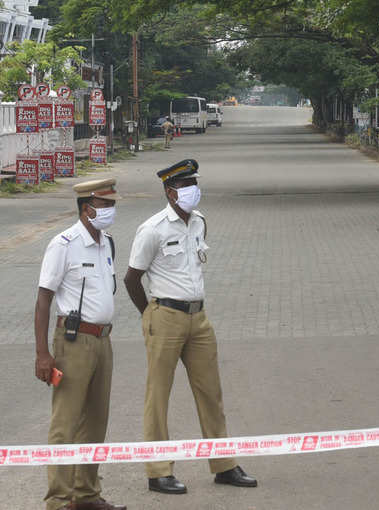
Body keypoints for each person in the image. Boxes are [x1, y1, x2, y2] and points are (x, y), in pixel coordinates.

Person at [124, 159, 256, 495]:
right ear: (170, 192)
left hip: (199, 318)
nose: (193, 191)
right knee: (158, 396)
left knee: (211, 393)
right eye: (185, 186)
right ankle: (158, 471)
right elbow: (131, 278)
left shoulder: (199, 222)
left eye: (194, 184)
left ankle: (224, 464)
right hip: (165, 315)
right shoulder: (152, 229)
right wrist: (148, 315)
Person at [34, 179, 125, 510]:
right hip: (73, 343)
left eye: (112, 205)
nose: (111, 211)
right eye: (106, 206)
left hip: (103, 340)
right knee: (65, 423)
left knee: (96, 421)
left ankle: (86, 494)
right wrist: (43, 353)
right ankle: (58, 500)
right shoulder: (64, 244)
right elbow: (44, 299)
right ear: (87, 209)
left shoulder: (107, 243)